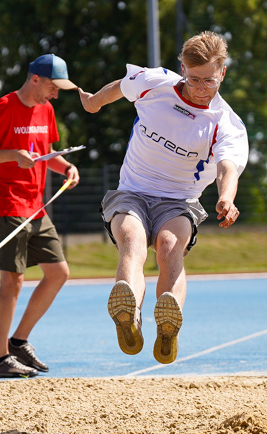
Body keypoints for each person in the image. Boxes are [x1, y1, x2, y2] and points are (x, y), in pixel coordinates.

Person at [77, 31, 249, 364]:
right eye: (193, 78)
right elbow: (121, 87)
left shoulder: (226, 123)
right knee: (132, 238)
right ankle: (130, 316)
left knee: (170, 246)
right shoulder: (155, 83)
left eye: (209, 81)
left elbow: (228, 165)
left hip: (179, 200)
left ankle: (168, 324)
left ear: (223, 73)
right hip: (133, 191)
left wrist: (226, 197)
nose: (200, 89)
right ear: (182, 67)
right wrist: (94, 101)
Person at [0, 54, 80, 378]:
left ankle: (18, 341)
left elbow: (44, 155)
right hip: (5, 204)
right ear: (35, 79)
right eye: (53, 86)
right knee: (12, 281)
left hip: (36, 206)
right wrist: (11, 156)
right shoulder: (4, 107)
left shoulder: (47, 110)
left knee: (59, 272)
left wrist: (68, 167)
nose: (56, 94)